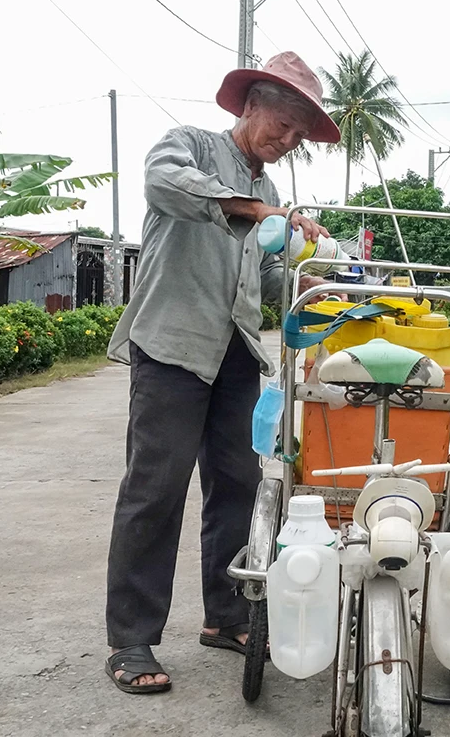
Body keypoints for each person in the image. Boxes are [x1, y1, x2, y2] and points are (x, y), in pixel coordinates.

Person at [103, 52, 342, 694]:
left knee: (236, 485)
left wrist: (303, 277)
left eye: (298, 134)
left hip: (235, 351)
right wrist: (256, 214)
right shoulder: (190, 147)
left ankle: (226, 617)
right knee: (155, 490)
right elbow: (163, 184)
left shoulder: (268, 193)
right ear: (250, 105)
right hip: (174, 347)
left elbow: (257, 276)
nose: (287, 139)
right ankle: (131, 640)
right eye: (282, 123)